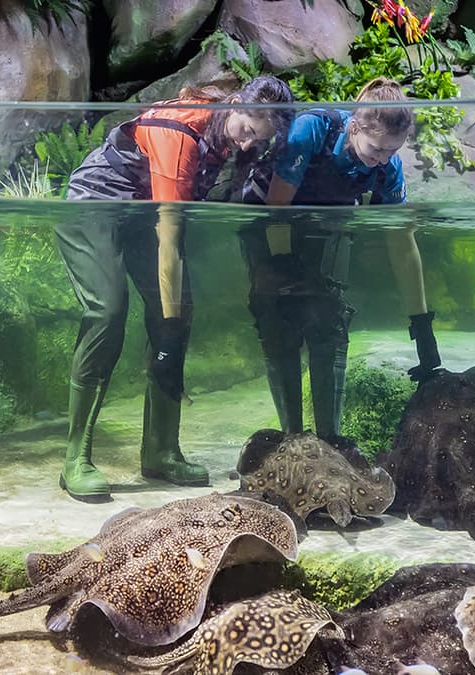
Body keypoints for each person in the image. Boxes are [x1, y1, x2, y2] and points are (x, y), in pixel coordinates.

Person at [55, 76, 295, 502]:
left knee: (180, 309)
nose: (246, 145)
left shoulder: (233, 138)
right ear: (233, 106)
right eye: (245, 132)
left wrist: (172, 325)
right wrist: (165, 333)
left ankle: (161, 450)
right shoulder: (178, 132)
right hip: (94, 204)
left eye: (258, 139)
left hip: (140, 217)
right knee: (108, 312)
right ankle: (76, 457)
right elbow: (169, 239)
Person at [239, 76, 441, 450]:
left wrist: (422, 326)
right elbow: (277, 206)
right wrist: (284, 267)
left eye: (390, 152)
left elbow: (401, 241)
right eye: (376, 149)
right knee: (278, 324)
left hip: (328, 229)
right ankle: (291, 442)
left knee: (329, 326)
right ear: (355, 126)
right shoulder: (313, 128)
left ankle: (330, 443)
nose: (381, 159)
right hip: (269, 222)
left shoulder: (388, 167)